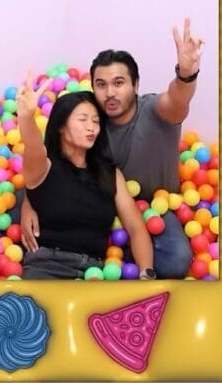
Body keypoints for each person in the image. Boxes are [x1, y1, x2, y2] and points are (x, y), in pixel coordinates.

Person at [21, 19, 204, 279]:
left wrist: (186, 74)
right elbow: (44, 162)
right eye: (101, 84)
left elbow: (177, 99)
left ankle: (117, 255)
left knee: (175, 260)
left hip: (155, 204)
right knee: (17, 201)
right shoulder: (92, 119)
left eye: (119, 83)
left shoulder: (155, 110)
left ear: (135, 85)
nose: (109, 93)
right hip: (99, 203)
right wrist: (30, 200)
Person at [16, 79, 154, 280]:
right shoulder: (43, 168)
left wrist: (146, 273)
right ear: (60, 126)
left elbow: (135, 227)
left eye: (96, 121)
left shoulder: (110, 174)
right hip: (46, 268)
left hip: (94, 273)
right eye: (83, 120)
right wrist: (27, 118)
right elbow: (33, 146)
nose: (91, 128)